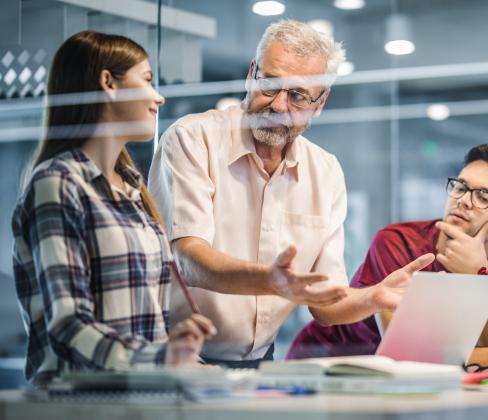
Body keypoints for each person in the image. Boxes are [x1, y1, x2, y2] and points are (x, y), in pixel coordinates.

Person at [148, 20, 431, 368]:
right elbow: (188, 259)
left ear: (320, 101)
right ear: (252, 74)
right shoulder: (191, 139)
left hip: (259, 364)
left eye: (297, 95)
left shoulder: (325, 171)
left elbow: (325, 306)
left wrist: (373, 297)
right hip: (173, 360)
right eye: (269, 85)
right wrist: (272, 281)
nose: (279, 106)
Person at [11, 31, 216, 386]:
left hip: (141, 399)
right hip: (78, 405)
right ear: (108, 82)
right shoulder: (59, 183)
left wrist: (186, 359)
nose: (159, 97)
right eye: (148, 80)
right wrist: (161, 359)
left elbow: (150, 321)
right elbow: (67, 325)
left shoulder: (133, 192)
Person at [287, 144, 488, 371]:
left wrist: (482, 273)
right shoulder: (397, 241)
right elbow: (404, 354)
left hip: (417, 379)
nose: (464, 200)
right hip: (332, 364)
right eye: (461, 186)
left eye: (483, 196)